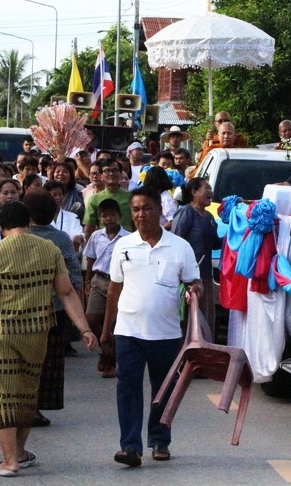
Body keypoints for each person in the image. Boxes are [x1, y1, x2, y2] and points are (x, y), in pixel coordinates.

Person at [0, 201, 97, 478]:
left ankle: (9, 462)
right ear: (28, 223)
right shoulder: (49, 250)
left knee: (3, 395)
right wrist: (85, 329)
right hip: (38, 331)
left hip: (2, 333)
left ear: (1, 226)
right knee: (28, 392)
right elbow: (66, 292)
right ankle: (19, 452)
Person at [102, 187, 201, 466]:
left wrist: (195, 290)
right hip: (128, 331)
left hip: (166, 333)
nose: (141, 214)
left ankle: (160, 440)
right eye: (135, 209)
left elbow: (194, 281)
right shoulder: (123, 245)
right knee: (128, 388)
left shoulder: (179, 246)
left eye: (146, 208)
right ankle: (130, 447)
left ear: (159, 209)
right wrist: (106, 330)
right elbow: (114, 289)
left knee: (164, 389)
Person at [25, 192, 86, 425]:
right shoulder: (60, 238)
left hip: (25, 307)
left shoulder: (19, 237)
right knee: (48, 361)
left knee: (25, 359)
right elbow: (74, 274)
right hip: (56, 309)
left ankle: (18, 405)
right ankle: (37, 407)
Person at [83, 198, 130, 378]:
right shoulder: (96, 236)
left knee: (114, 323)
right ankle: (106, 351)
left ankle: (111, 361)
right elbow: (90, 258)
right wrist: (88, 281)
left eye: (112, 215)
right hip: (98, 279)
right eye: (104, 216)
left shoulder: (127, 238)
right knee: (91, 319)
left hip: (118, 282)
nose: (108, 219)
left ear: (119, 215)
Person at [171, 177, 222, 336]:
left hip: (205, 276)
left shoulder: (209, 217)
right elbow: (175, 241)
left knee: (204, 319)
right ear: (194, 192)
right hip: (187, 279)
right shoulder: (186, 212)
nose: (211, 192)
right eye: (207, 188)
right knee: (187, 321)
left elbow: (215, 243)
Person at [83, 157, 133, 240]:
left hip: (128, 241)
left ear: (121, 174)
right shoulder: (94, 199)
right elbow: (89, 227)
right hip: (103, 242)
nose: (111, 174)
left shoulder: (131, 197)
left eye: (115, 170)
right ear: (101, 176)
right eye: (107, 171)